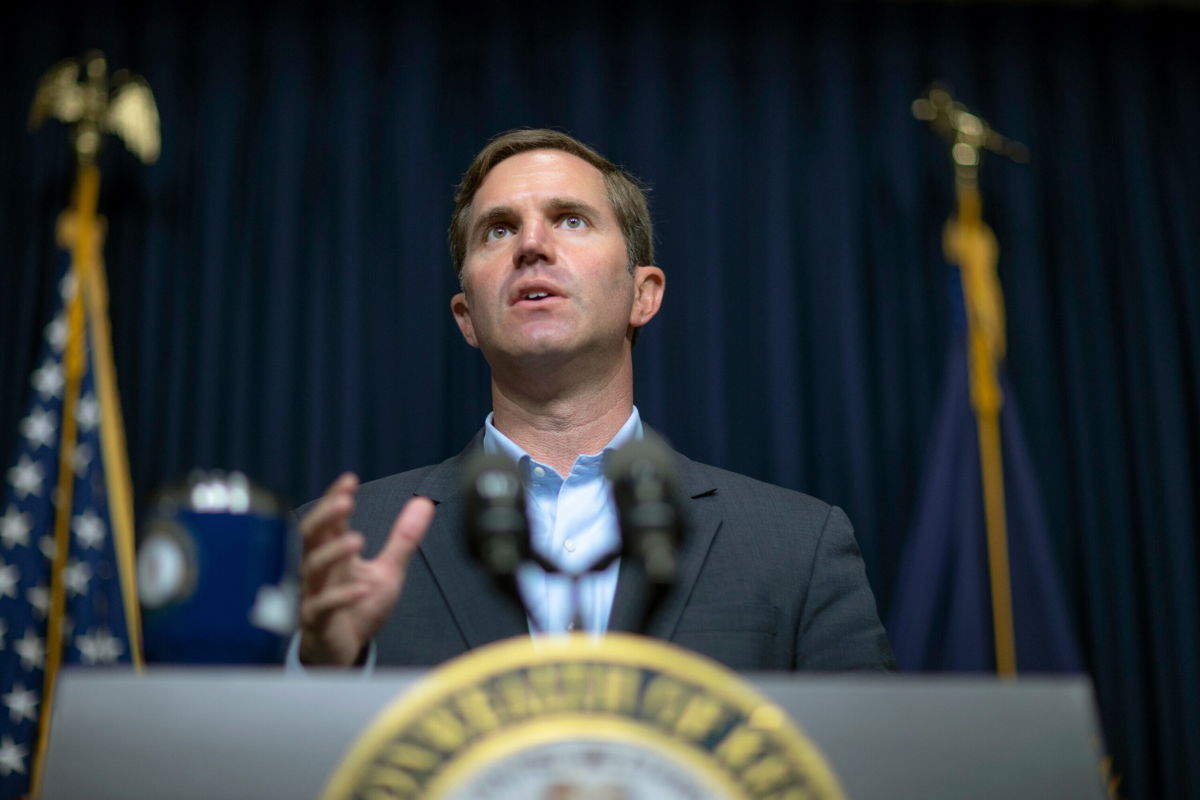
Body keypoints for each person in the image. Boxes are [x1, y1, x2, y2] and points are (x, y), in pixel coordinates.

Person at [296, 129, 894, 671]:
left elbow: (871, 767)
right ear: (466, 318)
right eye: (498, 229)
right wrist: (324, 670)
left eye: (571, 220)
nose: (530, 244)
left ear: (644, 294)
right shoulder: (342, 550)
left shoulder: (798, 543)